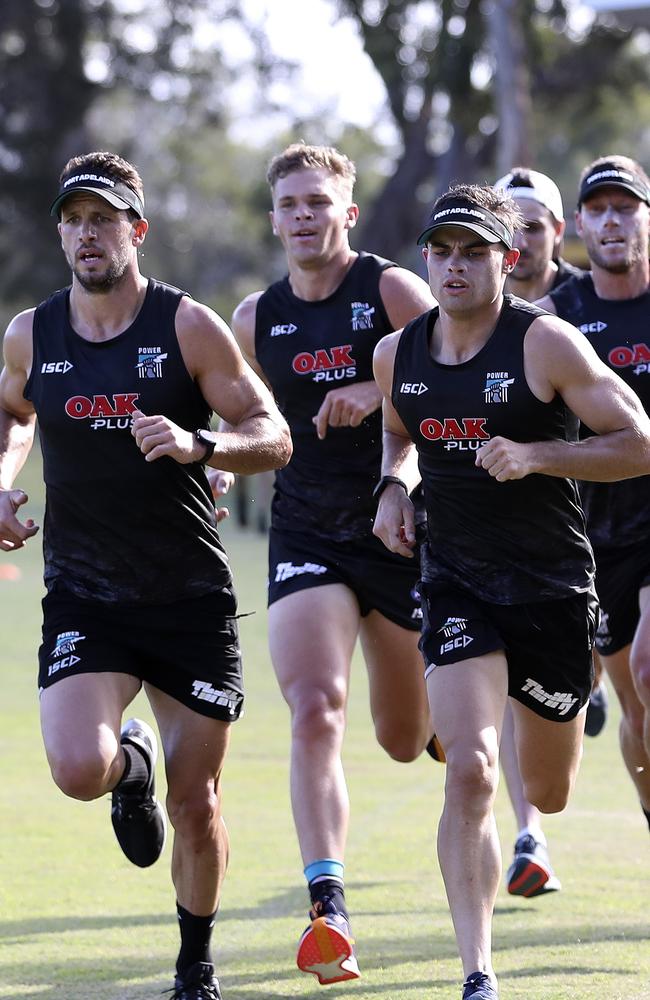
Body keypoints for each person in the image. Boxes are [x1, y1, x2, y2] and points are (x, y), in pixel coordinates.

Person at [0, 151, 292, 1000]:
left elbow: (272, 433)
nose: (88, 235)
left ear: (137, 229)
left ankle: (194, 963)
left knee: (197, 798)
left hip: (188, 599)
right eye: (74, 221)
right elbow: (12, 415)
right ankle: (129, 771)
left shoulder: (187, 325)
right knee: (75, 769)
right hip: (87, 593)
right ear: (61, 232)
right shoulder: (32, 332)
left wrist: (204, 444)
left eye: (104, 219)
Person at [372, 182, 650, 999]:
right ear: (427, 257)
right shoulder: (400, 353)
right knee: (470, 768)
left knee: (551, 791)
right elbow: (399, 433)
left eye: (474, 251)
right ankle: (478, 973)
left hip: (553, 588)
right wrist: (392, 487)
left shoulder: (547, 344)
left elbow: (638, 441)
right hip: (456, 582)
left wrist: (538, 456)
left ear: (509, 257)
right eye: (442, 251)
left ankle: (570, 710)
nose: (454, 267)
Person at [225, 142, 436, 986]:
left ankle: (440, 726)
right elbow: (244, 418)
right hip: (307, 534)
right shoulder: (253, 319)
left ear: (347, 212)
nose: (305, 215)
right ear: (274, 218)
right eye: (290, 204)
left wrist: (379, 396)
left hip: (401, 532)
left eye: (320, 201)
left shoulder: (390, 291)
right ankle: (329, 906)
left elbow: (453, 377)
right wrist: (214, 460)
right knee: (315, 707)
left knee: (403, 736)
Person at [491, 168, 606, 900]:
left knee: (586, 674)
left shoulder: (569, 314)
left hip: (608, 532)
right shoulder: (463, 313)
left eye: (536, 223)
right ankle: (529, 834)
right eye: (513, 223)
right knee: (503, 682)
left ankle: (586, 677)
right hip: (510, 543)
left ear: (558, 233)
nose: (524, 237)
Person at [538, 154, 650, 838]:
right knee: (636, 709)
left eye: (626, 206)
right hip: (597, 533)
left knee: (648, 668)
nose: (612, 220)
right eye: (600, 209)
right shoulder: (558, 316)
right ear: (580, 225)